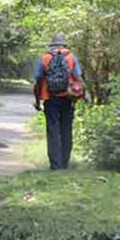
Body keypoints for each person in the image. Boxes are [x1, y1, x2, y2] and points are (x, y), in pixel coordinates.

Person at [33, 34, 84, 170]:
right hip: (68, 97)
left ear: (52, 45)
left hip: (50, 98)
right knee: (66, 130)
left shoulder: (45, 58)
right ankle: (65, 163)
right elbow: (78, 77)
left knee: (53, 130)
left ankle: (55, 166)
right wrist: (82, 94)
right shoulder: (71, 58)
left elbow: (38, 80)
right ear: (64, 45)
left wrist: (38, 101)